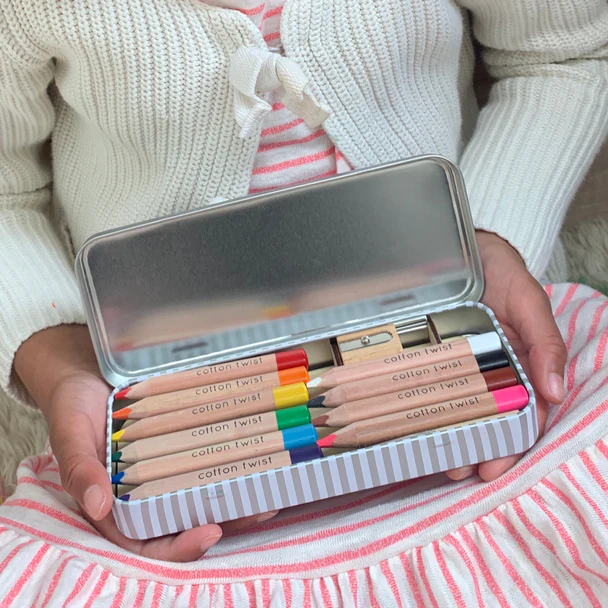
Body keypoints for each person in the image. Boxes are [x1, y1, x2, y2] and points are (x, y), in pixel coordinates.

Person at [0, 0, 607, 604]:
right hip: (161, 408)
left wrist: (492, 239)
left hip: (475, 336)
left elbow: (564, 52)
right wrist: (62, 363)